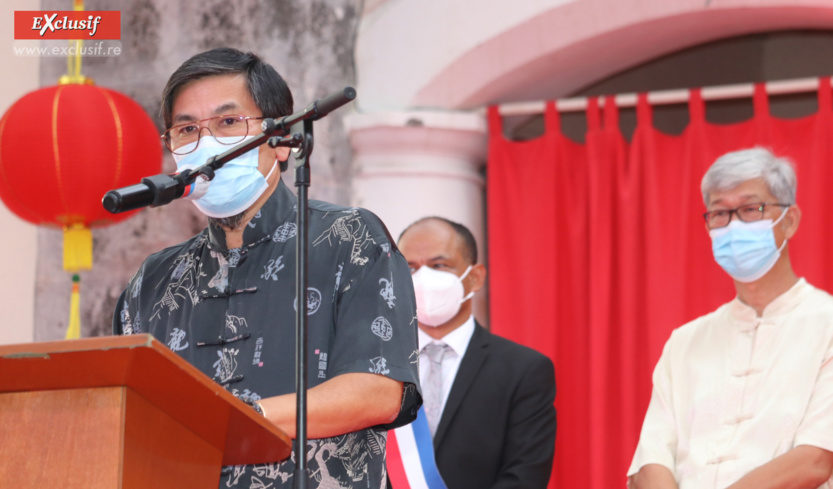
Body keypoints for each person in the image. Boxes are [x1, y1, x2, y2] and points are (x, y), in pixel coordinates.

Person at [112, 47, 421, 489]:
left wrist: (238, 419)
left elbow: (378, 390)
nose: (206, 143)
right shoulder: (155, 279)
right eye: (186, 129)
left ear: (279, 142)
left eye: (228, 122)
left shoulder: (348, 238)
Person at [627, 147, 833, 489]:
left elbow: (815, 459)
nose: (733, 225)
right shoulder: (685, 341)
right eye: (720, 213)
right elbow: (651, 462)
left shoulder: (826, 324)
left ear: (790, 220)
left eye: (751, 209)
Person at [392, 216, 557, 488]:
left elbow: (524, 477)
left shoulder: (523, 370)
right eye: (409, 268)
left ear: (475, 277)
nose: (422, 278)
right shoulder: (376, 365)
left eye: (439, 265)